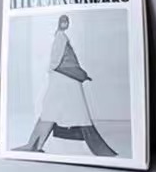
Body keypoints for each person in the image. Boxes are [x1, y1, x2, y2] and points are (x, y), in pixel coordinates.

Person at [18, 15, 118, 156]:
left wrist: (75, 73)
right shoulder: (61, 37)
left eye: (67, 22)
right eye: (64, 21)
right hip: (63, 78)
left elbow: (61, 59)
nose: (66, 24)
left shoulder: (61, 37)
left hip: (64, 79)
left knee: (52, 112)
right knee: (54, 112)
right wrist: (60, 70)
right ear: (60, 23)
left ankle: (34, 145)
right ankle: (34, 145)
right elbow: (56, 58)